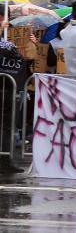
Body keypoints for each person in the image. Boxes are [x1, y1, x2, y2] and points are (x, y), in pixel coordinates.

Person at [0, 29, 26, 174]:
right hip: (7, 89)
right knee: (6, 127)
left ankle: (5, 161)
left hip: (9, 90)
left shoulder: (10, 46)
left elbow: (27, 59)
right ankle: (4, 161)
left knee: (8, 127)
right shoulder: (6, 46)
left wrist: (31, 46)